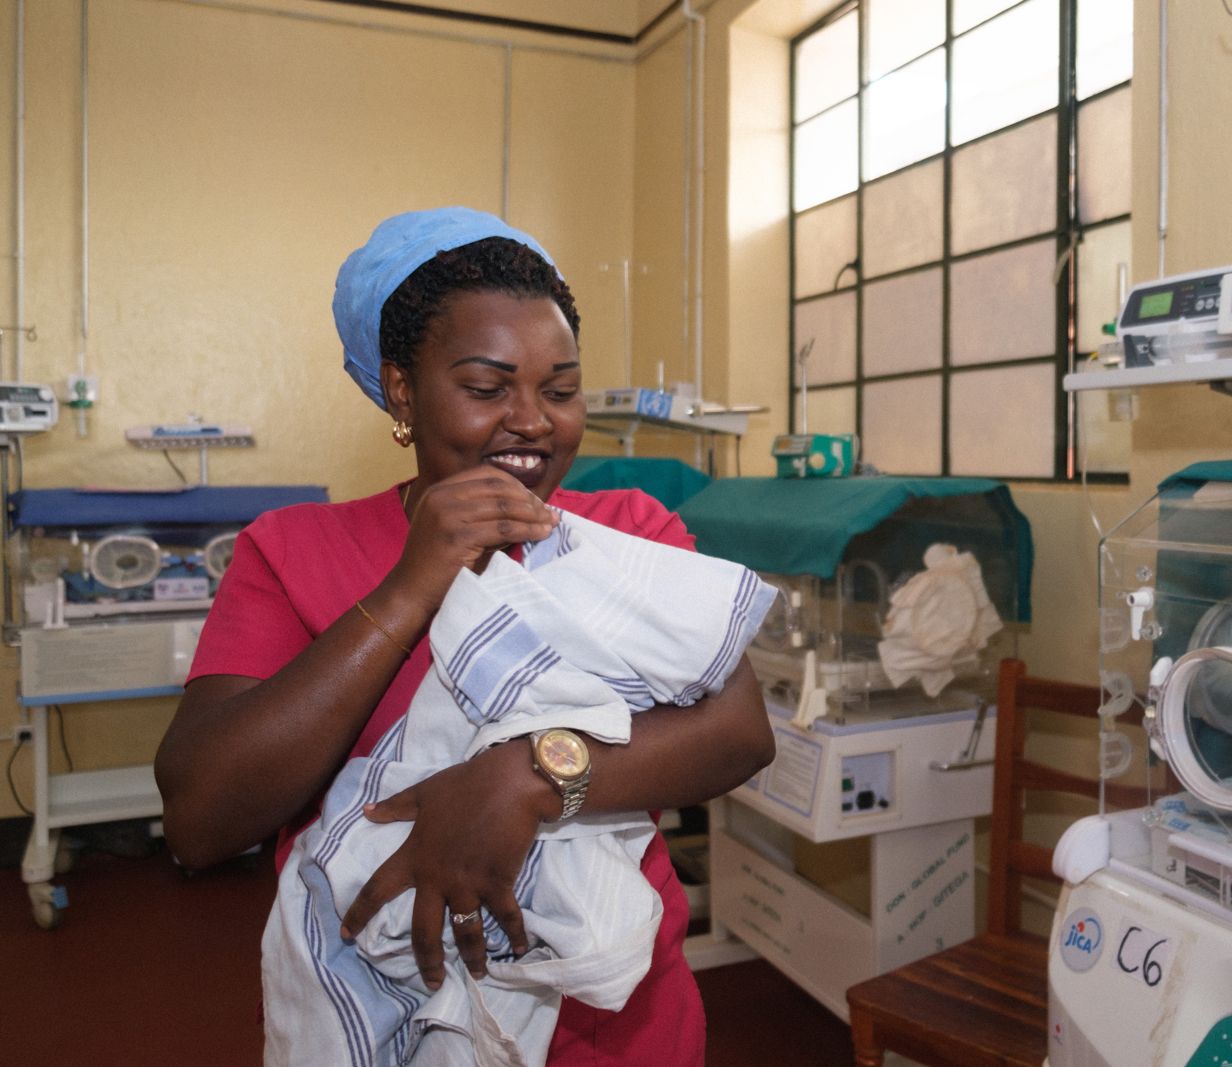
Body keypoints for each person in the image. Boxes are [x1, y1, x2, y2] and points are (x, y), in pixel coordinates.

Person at [155, 207, 775, 1065]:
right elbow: (199, 817)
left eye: (560, 389)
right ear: (402, 389)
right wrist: (413, 584)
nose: (533, 420)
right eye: (488, 388)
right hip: (377, 1019)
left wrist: (527, 777)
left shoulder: (628, 533)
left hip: (612, 1018)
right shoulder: (292, 550)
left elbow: (740, 731)